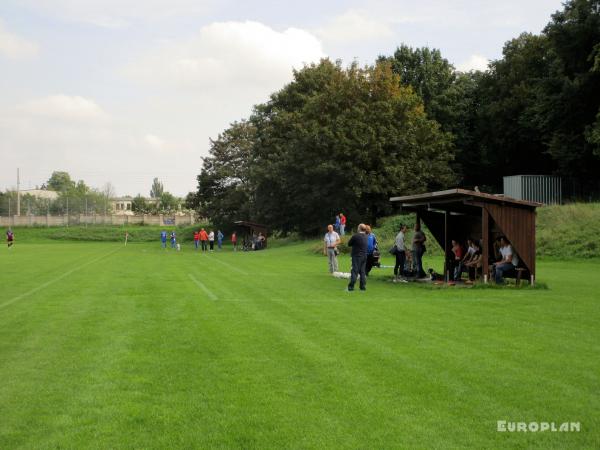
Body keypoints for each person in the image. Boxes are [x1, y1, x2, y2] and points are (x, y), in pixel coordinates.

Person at [347, 224, 368, 291]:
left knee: (354, 271)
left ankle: (351, 286)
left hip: (357, 256)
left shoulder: (355, 236)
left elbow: (349, 244)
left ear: (359, 228)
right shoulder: (366, 236)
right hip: (364, 256)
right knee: (362, 272)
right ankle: (362, 286)